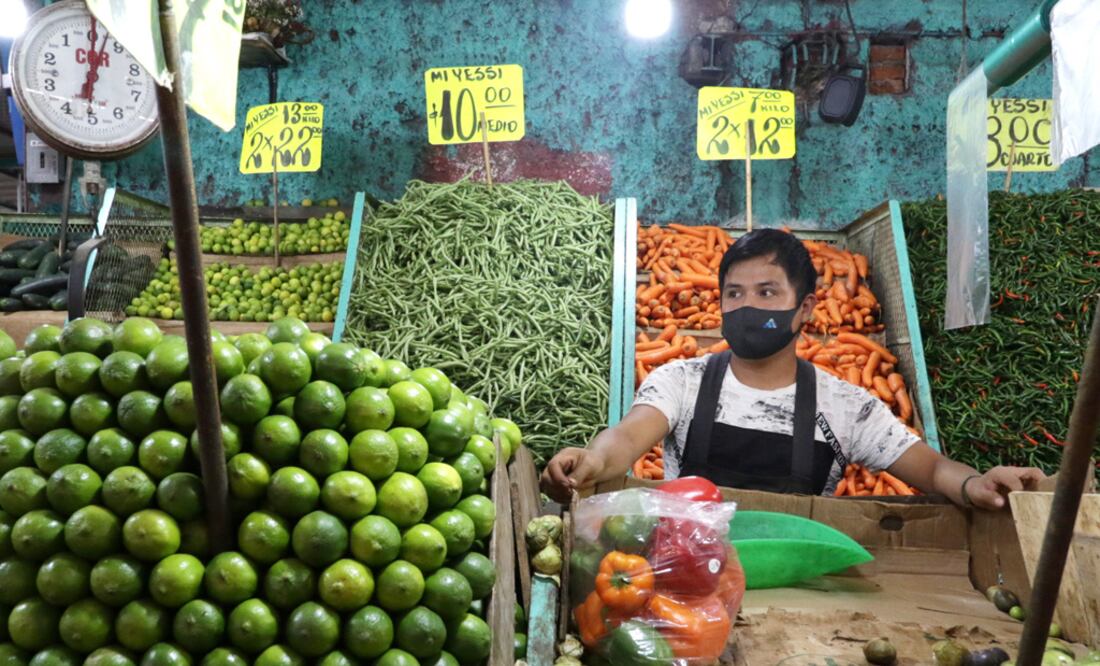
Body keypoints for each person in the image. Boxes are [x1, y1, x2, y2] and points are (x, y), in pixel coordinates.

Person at [541, 228, 1044, 509]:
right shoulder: (681, 382)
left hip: (799, 596)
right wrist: (589, 461)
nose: (747, 306)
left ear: (805, 309)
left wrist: (972, 484)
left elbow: (931, 468)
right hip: (690, 573)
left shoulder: (846, 406)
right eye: (734, 294)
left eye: (767, 293)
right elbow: (626, 440)